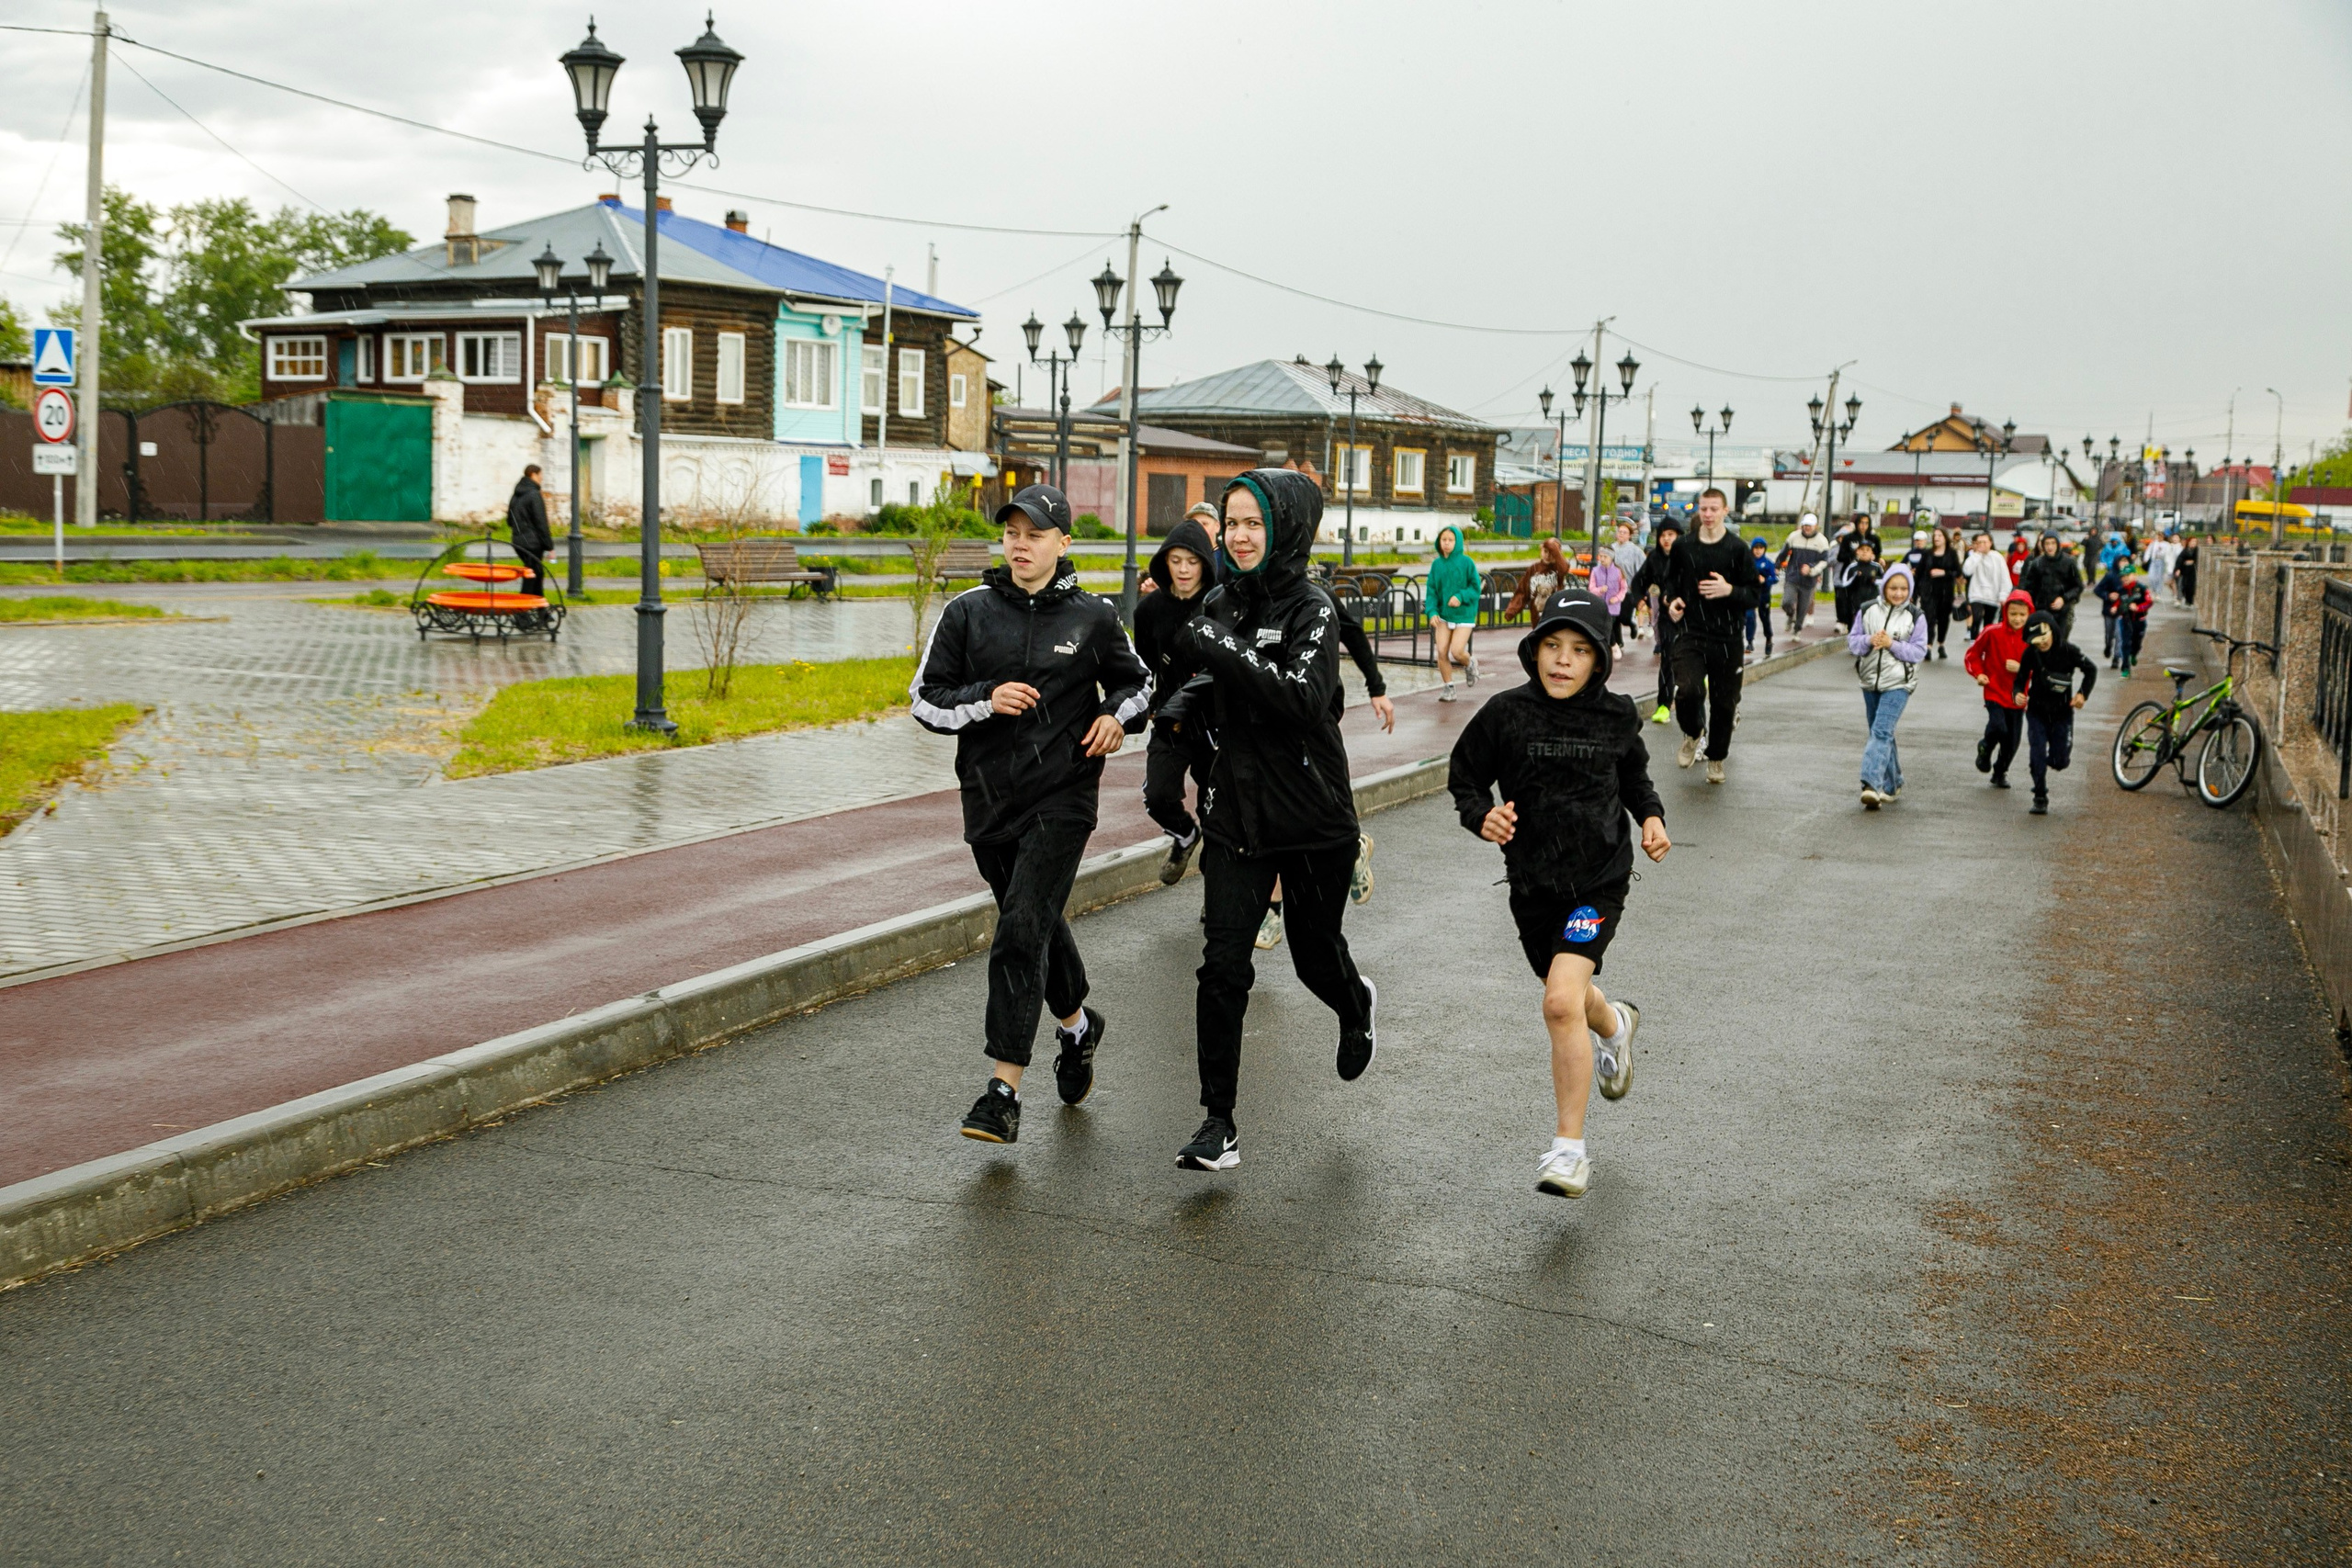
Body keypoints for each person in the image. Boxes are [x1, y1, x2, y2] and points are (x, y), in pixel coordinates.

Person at [912, 484, 1152, 1145]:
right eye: (1012, 532)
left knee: (1020, 927)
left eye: (1035, 533)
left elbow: (1140, 684)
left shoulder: (1094, 618)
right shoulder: (967, 612)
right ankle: (1078, 1028)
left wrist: (1113, 716)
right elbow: (926, 701)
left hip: (1064, 797)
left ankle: (1002, 1092)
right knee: (1037, 923)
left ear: (1063, 543)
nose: (1020, 544)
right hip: (988, 800)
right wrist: (987, 698)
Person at [1171, 469, 1376, 1173]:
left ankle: (1354, 1004)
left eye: (1253, 521)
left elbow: (1300, 696)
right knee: (1221, 965)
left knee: (1314, 956)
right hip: (1237, 816)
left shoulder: (1312, 606)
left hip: (1314, 817)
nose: (1239, 535)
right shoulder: (1222, 602)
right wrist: (1178, 711)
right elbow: (1213, 673)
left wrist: (1217, 649)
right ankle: (1217, 1121)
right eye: (1230, 523)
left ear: (1284, 527)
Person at [1447, 589, 1668, 1200]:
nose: (1563, 660)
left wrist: (1651, 817)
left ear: (1598, 659)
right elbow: (1464, 775)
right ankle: (1616, 1024)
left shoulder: (1617, 714)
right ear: (1534, 649)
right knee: (1570, 998)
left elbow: (1636, 778)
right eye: (1552, 645)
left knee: (1558, 1001)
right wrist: (1480, 816)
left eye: (1578, 649)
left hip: (1597, 880)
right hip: (1532, 883)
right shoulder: (1505, 713)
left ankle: (1568, 1149)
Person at [1133, 515, 1223, 884]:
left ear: (1205, 561)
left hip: (1215, 720)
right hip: (1171, 718)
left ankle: (1216, 895)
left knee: (1216, 810)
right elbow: (1144, 665)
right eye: (1176, 561)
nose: (1184, 570)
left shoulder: (1220, 604)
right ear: (1164, 562)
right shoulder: (1148, 610)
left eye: (1192, 561)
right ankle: (1185, 835)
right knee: (1157, 794)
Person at [1664, 487, 1762, 784]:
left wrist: (1729, 590)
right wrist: (1673, 602)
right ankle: (1693, 733)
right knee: (1688, 690)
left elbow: (1754, 595)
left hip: (1728, 636)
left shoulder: (1737, 549)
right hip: (1692, 631)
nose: (1707, 515)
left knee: (1724, 703)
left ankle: (1716, 758)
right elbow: (1670, 583)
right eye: (1703, 509)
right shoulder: (1684, 546)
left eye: (1713, 509)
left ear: (1725, 510)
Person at [1849, 563, 1928, 808]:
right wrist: (1869, 640)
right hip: (1870, 681)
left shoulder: (1916, 616)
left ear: (1910, 590)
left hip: (1900, 683)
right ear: (1884, 587)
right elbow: (1853, 642)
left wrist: (1891, 644)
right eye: (1893, 587)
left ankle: (1871, 784)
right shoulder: (1867, 609)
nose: (1898, 593)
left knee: (1881, 731)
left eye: (1903, 588)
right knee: (1881, 733)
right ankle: (1893, 783)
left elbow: (1918, 651)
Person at [2015, 610, 2097, 816]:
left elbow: (2091, 669)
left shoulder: (2068, 650)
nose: (2042, 644)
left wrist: (2082, 694)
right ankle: (2040, 795)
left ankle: (2053, 760)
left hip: (2062, 712)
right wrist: (2017, 693)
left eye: (2044, 638)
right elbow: (2021, 678)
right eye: (2037, 641)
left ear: (2053, 630)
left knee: (2060, 761)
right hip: (2036, 711)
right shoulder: (2030, 653)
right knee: (2037, 753)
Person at [1963, 589, 2038, 790]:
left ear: (2030, 614)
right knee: (1998, 726)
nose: (2018, 619)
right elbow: (1972, 655)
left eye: (2023, 615)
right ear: (2005, 612)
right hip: (1994, 689)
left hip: (2017, 695)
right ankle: (1985, 747)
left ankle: (2000, 771)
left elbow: (2042, 668)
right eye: (2013, 614)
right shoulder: (1992, 631)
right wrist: (1979, 674)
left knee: (2012, 740)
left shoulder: (2034, 638)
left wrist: (2022, 668)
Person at [1624, 518, 1683, 721]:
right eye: (1663, 535)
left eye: (1671, 535)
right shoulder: (1655, 559)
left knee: (1687, 657)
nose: (1666, 539)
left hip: (1689, 616)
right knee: (1667, 657)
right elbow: (1638, 581)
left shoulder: (1688, 556)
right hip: (1667, 616)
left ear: (1679, 536)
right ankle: (1664, 706)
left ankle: (1695, 685)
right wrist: (1639, 599)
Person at [1423, 524, 1482, 700]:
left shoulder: (1467, 563)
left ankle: (1470, 663)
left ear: (1457, 542)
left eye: (1450, 540)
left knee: (1457, 651)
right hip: (1443, 615)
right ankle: (1449, 687)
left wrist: (1460, 596)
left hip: (1464, 614)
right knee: (1441, 652)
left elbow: (1475, 588)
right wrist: (1432, 611)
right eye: (1444, 540)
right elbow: (1432, 590)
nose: (1447, 543)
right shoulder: (1437, 565)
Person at [2019, 532, 2085, 648]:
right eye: (2047, 543)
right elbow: (2029, 588)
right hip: (2041, 610)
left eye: (2053, 543)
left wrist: (2064, 599)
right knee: (2041, 643)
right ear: (2043, 545)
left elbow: (2078, 586)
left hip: (2063, 611)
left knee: (2059, 643)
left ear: (2058, 544)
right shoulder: (2037, 563)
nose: (2050, 547)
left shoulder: (2069, 562)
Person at [1777, 513, 1831, 635]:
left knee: (1803, 607)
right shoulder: (1793, 537)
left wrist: (1811, 569)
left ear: (1815, 526)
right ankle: (1790, 615)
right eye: (1805, 525)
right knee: (1787, 601)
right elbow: (1783, 553)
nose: (1807, 528)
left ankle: (1797, 629)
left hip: (1809, 580)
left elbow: (1824, 561)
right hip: (1792, 576)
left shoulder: (1822, 541)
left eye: (1810, 525)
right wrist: (1777, 565)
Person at [505, 464, 552, 596]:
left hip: (518, 541)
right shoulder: (534, 495)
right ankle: (521, 612)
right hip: (533, 543)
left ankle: (541, 611)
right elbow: (541, 523)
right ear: (533, 475)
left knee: (536, 573)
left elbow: (509, 520)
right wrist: (549, 546)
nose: (542, 478)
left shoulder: (515, 496)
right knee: (532, 575)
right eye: (540, 475)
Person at [1918, 526, 1962, 659]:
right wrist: (1918, 591)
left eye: (1939, 536)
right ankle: (1928, 646)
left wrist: (1944, 573)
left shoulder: (1951, 553)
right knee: (1929, 618)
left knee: (1943, 619)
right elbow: (1919, 573)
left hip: (1945, 592)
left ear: (1945, 538)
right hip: (1929, 591)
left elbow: (1958, 572)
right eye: (1935, 536)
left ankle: (1941, 644)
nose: (1936, 538)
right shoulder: (1927, 553)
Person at [1505, 536, 1572, 621]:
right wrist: (1512, 610)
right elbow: (1522, 591)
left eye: (1552, 553)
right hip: (1536, 613)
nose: (1548, 555)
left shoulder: (1558, 568)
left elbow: (1564, 569)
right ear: (1541, 550)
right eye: (1545, 551)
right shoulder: (1534, 569)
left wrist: (1554, 549)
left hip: (1554, 614)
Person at [1832, 512, 1880, 630]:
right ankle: (1847, 623)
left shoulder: (1874, 538)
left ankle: (1866, 627)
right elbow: (1841, 556)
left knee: (1867, 603)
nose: (1863, 526)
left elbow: (1878, 554)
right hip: (1851, 572)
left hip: (1868, 575)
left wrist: (1875, 559)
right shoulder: (1849, 538)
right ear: (1856, 524)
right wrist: (1855, 554)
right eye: (1861, 523)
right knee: (1846, 600)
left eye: (1866, 523)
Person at [1961, 529, 2012, 638]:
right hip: (1977, 594)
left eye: (1984, 542)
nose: (1982, 545)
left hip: (1992, 595)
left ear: (1990, 543)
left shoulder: (1997, 557)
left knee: (1988, 623)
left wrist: (2004, 595)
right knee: (1977, 617)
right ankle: (1973, 642)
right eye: (1979, 542)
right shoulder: (1974, 557)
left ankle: (1985, 644)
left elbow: (2004, 577)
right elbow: (1967, 570)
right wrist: (1977, 555)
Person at [2106, 567, 2154, 676]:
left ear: (2134, 575)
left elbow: (2149, 602)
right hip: (2125, 620)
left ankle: (2134, 654)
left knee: (2137, 642)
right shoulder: (2121, 590)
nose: (2125, 578)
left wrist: (2138, 608)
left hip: (2139, 620)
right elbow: (2119, 601)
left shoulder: (2141, 588)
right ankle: (2125, 668)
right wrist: (2114, 607)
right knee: (2125, 643)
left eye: (2127, 575)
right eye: (2123, 576)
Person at [1744, 536, 1779, 659]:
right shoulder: (1748, 562)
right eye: (1756, 548)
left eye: (1761, 548)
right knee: (1749, 616)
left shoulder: (1768, 564)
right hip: (1751, 594)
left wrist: (1765, 580)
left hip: (1763, 595)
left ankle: (1769, 638)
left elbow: (1775, 579)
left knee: (1764, 618)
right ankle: (1749, 642)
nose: (1758, 551)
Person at [2176, 536, 2200, 607]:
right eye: (2192, 541)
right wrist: (2178, 569)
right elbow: (2180, 560)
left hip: (2193, 571)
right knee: (2183, 585)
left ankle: (2190, 601)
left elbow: (2197, 560)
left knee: (2191, 586)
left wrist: (2193, 562)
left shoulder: (2197, 550)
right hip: (2185, 570)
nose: (2193, 543)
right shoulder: (2185, 550)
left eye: (2195, 542)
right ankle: (2181, 598)